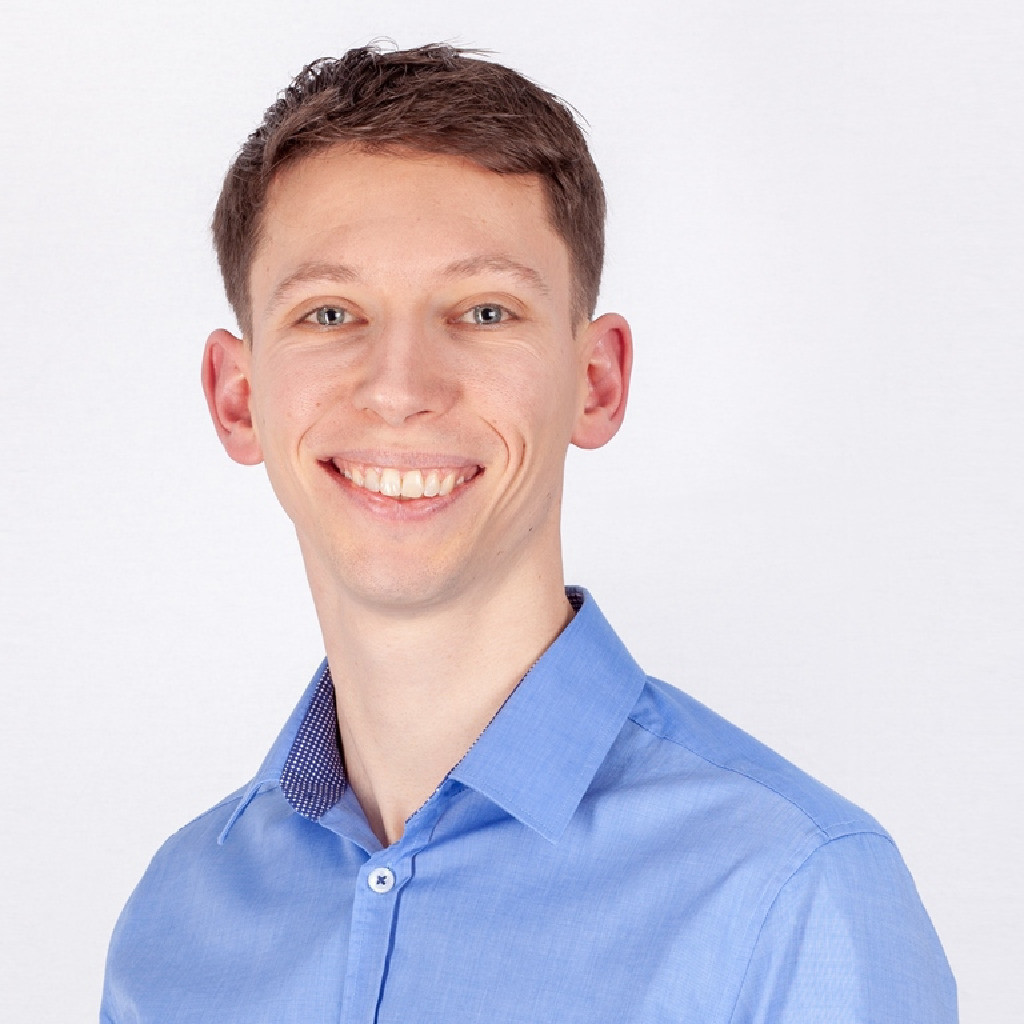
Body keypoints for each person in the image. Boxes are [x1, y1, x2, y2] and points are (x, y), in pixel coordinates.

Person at [101, 44, 956, 1023]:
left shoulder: (791, 894)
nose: (400, 388)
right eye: (330, 313)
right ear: (236, 396)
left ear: (596, 380)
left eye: (483, 310)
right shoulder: (175, 923)